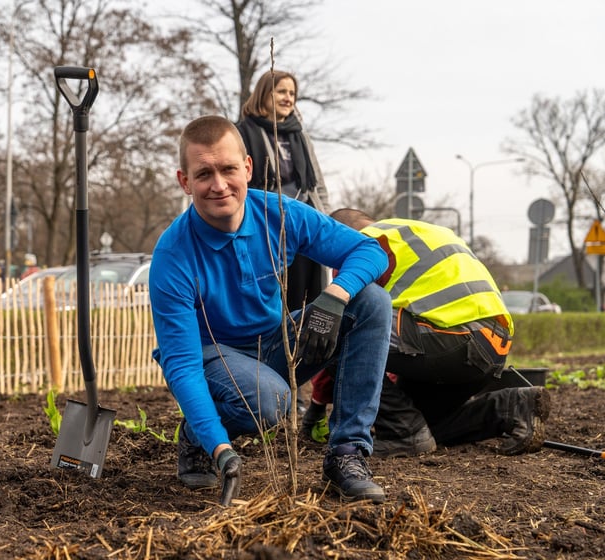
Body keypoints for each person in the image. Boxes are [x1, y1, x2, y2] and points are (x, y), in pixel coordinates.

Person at [149, 116, 392, 505]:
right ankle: (197, 436)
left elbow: (370, 251)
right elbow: (183, 365)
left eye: (228, 169)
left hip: (276, 344)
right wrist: (220, 447)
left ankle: (347, 454)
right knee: (271, 401)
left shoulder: (280, 214)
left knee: (372, 302)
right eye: (204, 174)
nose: (218, 184)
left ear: (247, 167)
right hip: (215, 357)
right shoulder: (173, 255)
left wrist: (335, 296)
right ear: (185, 181)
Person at [302, 209, 551, 458]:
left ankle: (403, 434)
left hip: (453, 340)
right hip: (491, 348)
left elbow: (339, 333)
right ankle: (510, 408)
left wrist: (317, 406)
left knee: (343, 327)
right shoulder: (418, 232)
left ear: (339, 233)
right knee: (425, 424)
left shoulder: (362, 245)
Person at [236, 70, 328, 311]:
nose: (289, 98)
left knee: (306, 292)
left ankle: (301, 344)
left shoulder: (300, 135)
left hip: (303, 222)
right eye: (281, 92)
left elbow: (316, 183)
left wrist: (325, 218)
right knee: (274, 292)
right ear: (264, 93)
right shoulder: (243, 133)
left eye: (292, 93)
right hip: (267, 223)